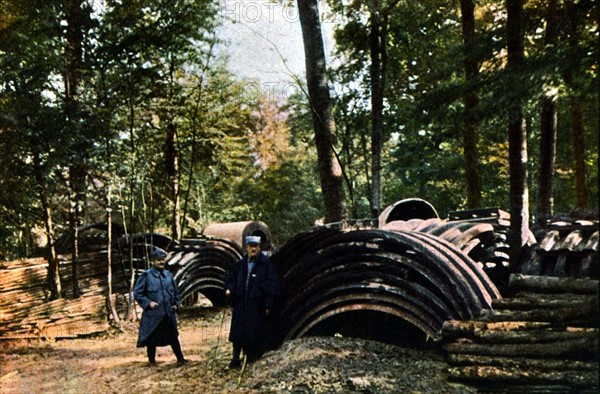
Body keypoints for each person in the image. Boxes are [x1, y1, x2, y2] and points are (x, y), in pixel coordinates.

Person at [224, 235, 280, 368]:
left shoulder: (266, 265)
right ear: (246, 248)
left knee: (253, 331)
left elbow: (272, 285)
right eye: (250, 246)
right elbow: (231, 280)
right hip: (240, 303)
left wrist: (268, 304)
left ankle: (250, 358)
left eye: (255, 246)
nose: (253, 249)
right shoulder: (240, 265)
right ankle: (235, 359)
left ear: (259, 248)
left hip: (256, 305)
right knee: (237, 332)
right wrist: (228, 289)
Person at [133, 248, 188, 365]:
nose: (161, 262)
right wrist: (148, 303)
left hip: (168, 313)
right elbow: (137, 293)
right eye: (158, 260)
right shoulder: (146, 276)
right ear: (153, 261)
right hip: (154, 314)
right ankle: (152, 361)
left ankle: (180, 359)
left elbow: (175, 292)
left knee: (173, 336)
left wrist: (176, 304)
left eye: (163, 260)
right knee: (151, 338)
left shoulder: (168, 275)